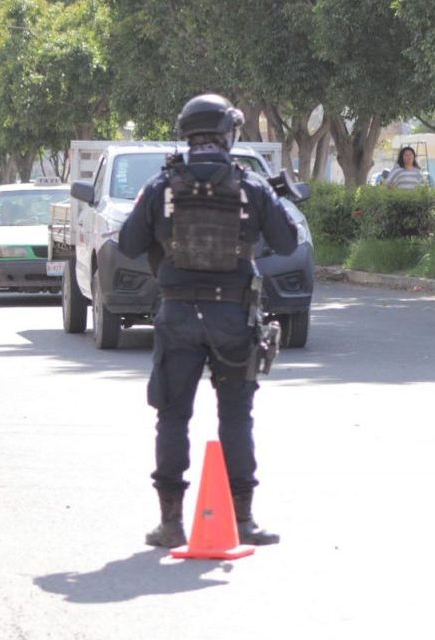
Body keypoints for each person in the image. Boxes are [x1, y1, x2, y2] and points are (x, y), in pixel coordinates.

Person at [118, 93, 299, 549]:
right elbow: (287, 241)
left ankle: (171, 523)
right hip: (233, 317)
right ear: (226, 135)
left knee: (172, 416)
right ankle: (243, 520)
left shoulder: (162, 185)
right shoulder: (250, 186)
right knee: (236, 417)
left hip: (177, 314)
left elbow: (128, 243)